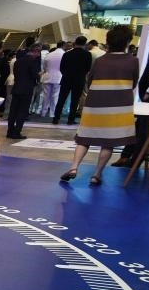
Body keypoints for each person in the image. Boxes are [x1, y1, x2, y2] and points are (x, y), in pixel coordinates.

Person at [59, 25, 138, 185]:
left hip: (95, 103)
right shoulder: (132, 61)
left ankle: (74, 167)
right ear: (127, 42)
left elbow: (90, 80)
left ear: (108, 41)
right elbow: (134, 82)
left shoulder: (100, 60)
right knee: (109, 142)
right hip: (119, 106)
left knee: (84, 138)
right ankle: (97, 174)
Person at [53, 36, 91, 125]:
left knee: (61, 99)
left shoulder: (67, 54)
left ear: (75, 43)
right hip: (79, 80)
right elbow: (88, 68)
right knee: (75, 100)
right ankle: (71, 119)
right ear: (84, 43)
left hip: (66, 79)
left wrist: (66, 74)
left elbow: (61, 67)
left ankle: (56, 118)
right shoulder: (87, 54)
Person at [7, 44, 41, 139]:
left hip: (16, 88)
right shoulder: (33, 61)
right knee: (22, 111)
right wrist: (39, 75)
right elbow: (34, 75)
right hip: (26, 90)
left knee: (13, 111)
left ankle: (10, 131)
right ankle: (17, 132)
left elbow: (16, 74)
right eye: (38, 52)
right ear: (35, 51)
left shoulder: (18, 61)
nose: (38, 55)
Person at [39, 41, 65, 118]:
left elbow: (44, 67)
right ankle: (52, 113)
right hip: (58, 77)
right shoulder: (64, 54)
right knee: (55, 96)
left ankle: (43, 112)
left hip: (47, 76)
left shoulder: (49, 55)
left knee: (46, 96)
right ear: (63, 46)